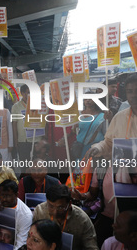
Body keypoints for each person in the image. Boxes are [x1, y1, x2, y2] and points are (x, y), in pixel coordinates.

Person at [85, 74, 137, 246]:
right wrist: (97, 148)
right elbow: (108, 143)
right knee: (127, 226)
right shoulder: (120, 117)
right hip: (124, 185)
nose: (133, 95)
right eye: (130, 91)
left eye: (136, 91)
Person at [33, 185, 98, 250]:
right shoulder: (40, 212)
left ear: (69, 204)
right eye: (51, 206)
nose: (55, 212)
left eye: (60, 207)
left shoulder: (82, 219)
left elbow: (91, 247)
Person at [12, 84, 41, 169]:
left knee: (36, 164)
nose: (29, 95)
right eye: (28, 93)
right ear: (22, 93)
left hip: (36, 139)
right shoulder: (16, 107)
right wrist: (16, 140)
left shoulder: (37, 104)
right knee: (24, 165)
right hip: (22, 140)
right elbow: (14, 124)